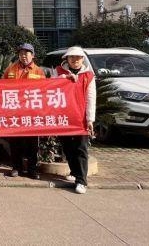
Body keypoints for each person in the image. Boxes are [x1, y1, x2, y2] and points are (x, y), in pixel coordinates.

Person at [54, 46, 96, 195]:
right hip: (64, 117)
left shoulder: (88, 76)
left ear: (82, 59)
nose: (75, 60)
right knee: (67, 147)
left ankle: (81, 181)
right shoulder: (59, 71)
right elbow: (52, 85)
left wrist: (90, 119)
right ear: (67, 59)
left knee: (81, 148)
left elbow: (91, 97)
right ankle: (74, 172)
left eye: (78, 57)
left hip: (80, 118)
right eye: (72, 57)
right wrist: (64, 79)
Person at [2, 43, 45, 180]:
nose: (23, 56)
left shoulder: (39, 71)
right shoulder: (10, 69)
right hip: (14, 112)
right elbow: (1, 87)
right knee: (15, 142)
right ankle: (16, 167)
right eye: (21, 53)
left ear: (33, 55)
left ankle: (32, 169)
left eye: (26, 53)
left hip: (32, 113)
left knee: (32, 143)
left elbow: (44, 91)